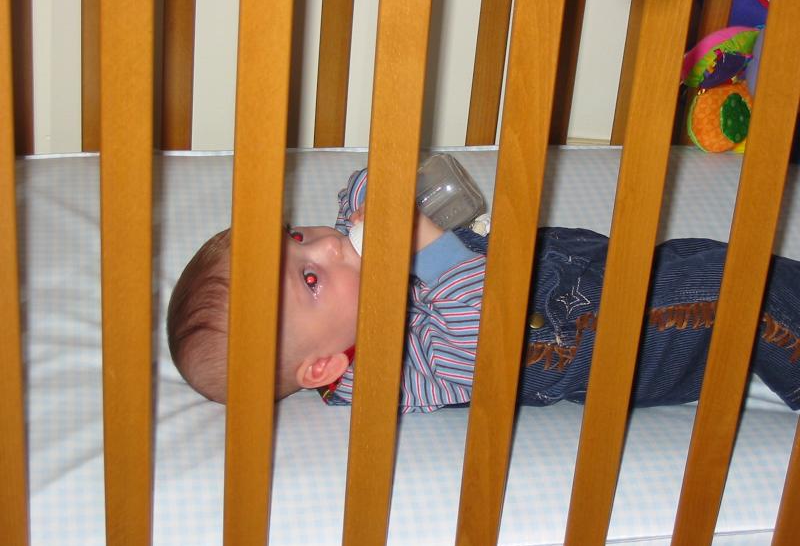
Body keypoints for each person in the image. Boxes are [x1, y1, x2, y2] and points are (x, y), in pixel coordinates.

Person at [167, 167, 800, 412]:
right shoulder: (389, 371)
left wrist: (374, 203)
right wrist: (427, 247)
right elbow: (480, 339)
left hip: (595, 271)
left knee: (719, 261)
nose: (327, 246)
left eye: (296, 236)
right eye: (309, 278)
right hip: (603, 337)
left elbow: (367, 180)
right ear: (325, 366)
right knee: (746, 293)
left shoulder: (354, 267)